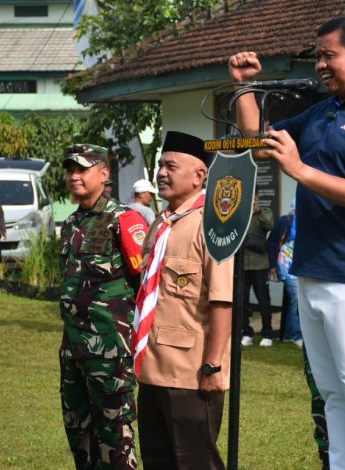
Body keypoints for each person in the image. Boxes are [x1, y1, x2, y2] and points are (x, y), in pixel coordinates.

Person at [230, 16, 345, 469]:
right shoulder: (323, 110)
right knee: (332, 390)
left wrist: (300, 171)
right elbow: (258, 145)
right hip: (310, 268)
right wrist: (244, 88)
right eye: (318, 56)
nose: (320, 65)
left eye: (329, 55)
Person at [134, 131, 234, 469]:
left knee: (195, 462)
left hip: (189, 373)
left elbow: (222, 302)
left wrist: (213, 367)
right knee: (157, 459)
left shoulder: (212, 225)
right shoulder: (161, 225)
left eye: (170, 166)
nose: (162, 172)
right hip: (151, 368)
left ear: (199, 175)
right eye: (160, 165)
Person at [58, 143, 148, 469]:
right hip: (73, 348)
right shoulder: (71, 223)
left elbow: (147, 283)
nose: (74, 176)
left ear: (104, 173)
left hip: (110, 350)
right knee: (78, 432)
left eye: (82, 169)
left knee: (115, 438)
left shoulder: (124, 219)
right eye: (70, 170)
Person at [240, 193, 275, 347]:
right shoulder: (241, 214)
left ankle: (267, 334)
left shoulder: (265, 213)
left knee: (263, 301)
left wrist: (258, 211)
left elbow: (270, 225)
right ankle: (246, 332)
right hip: (242, 265)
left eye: (255, 200)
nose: (252, 203)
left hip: (260, 265)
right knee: (242, 301)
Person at [268, 202, 303, 346]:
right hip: (286, 264)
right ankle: (296, 336)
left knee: (296, 300)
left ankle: (289, 334)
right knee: (296, 298)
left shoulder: (308, 220)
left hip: (300, 266)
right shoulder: (285, 220)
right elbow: (272, 242)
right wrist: (273, 265)